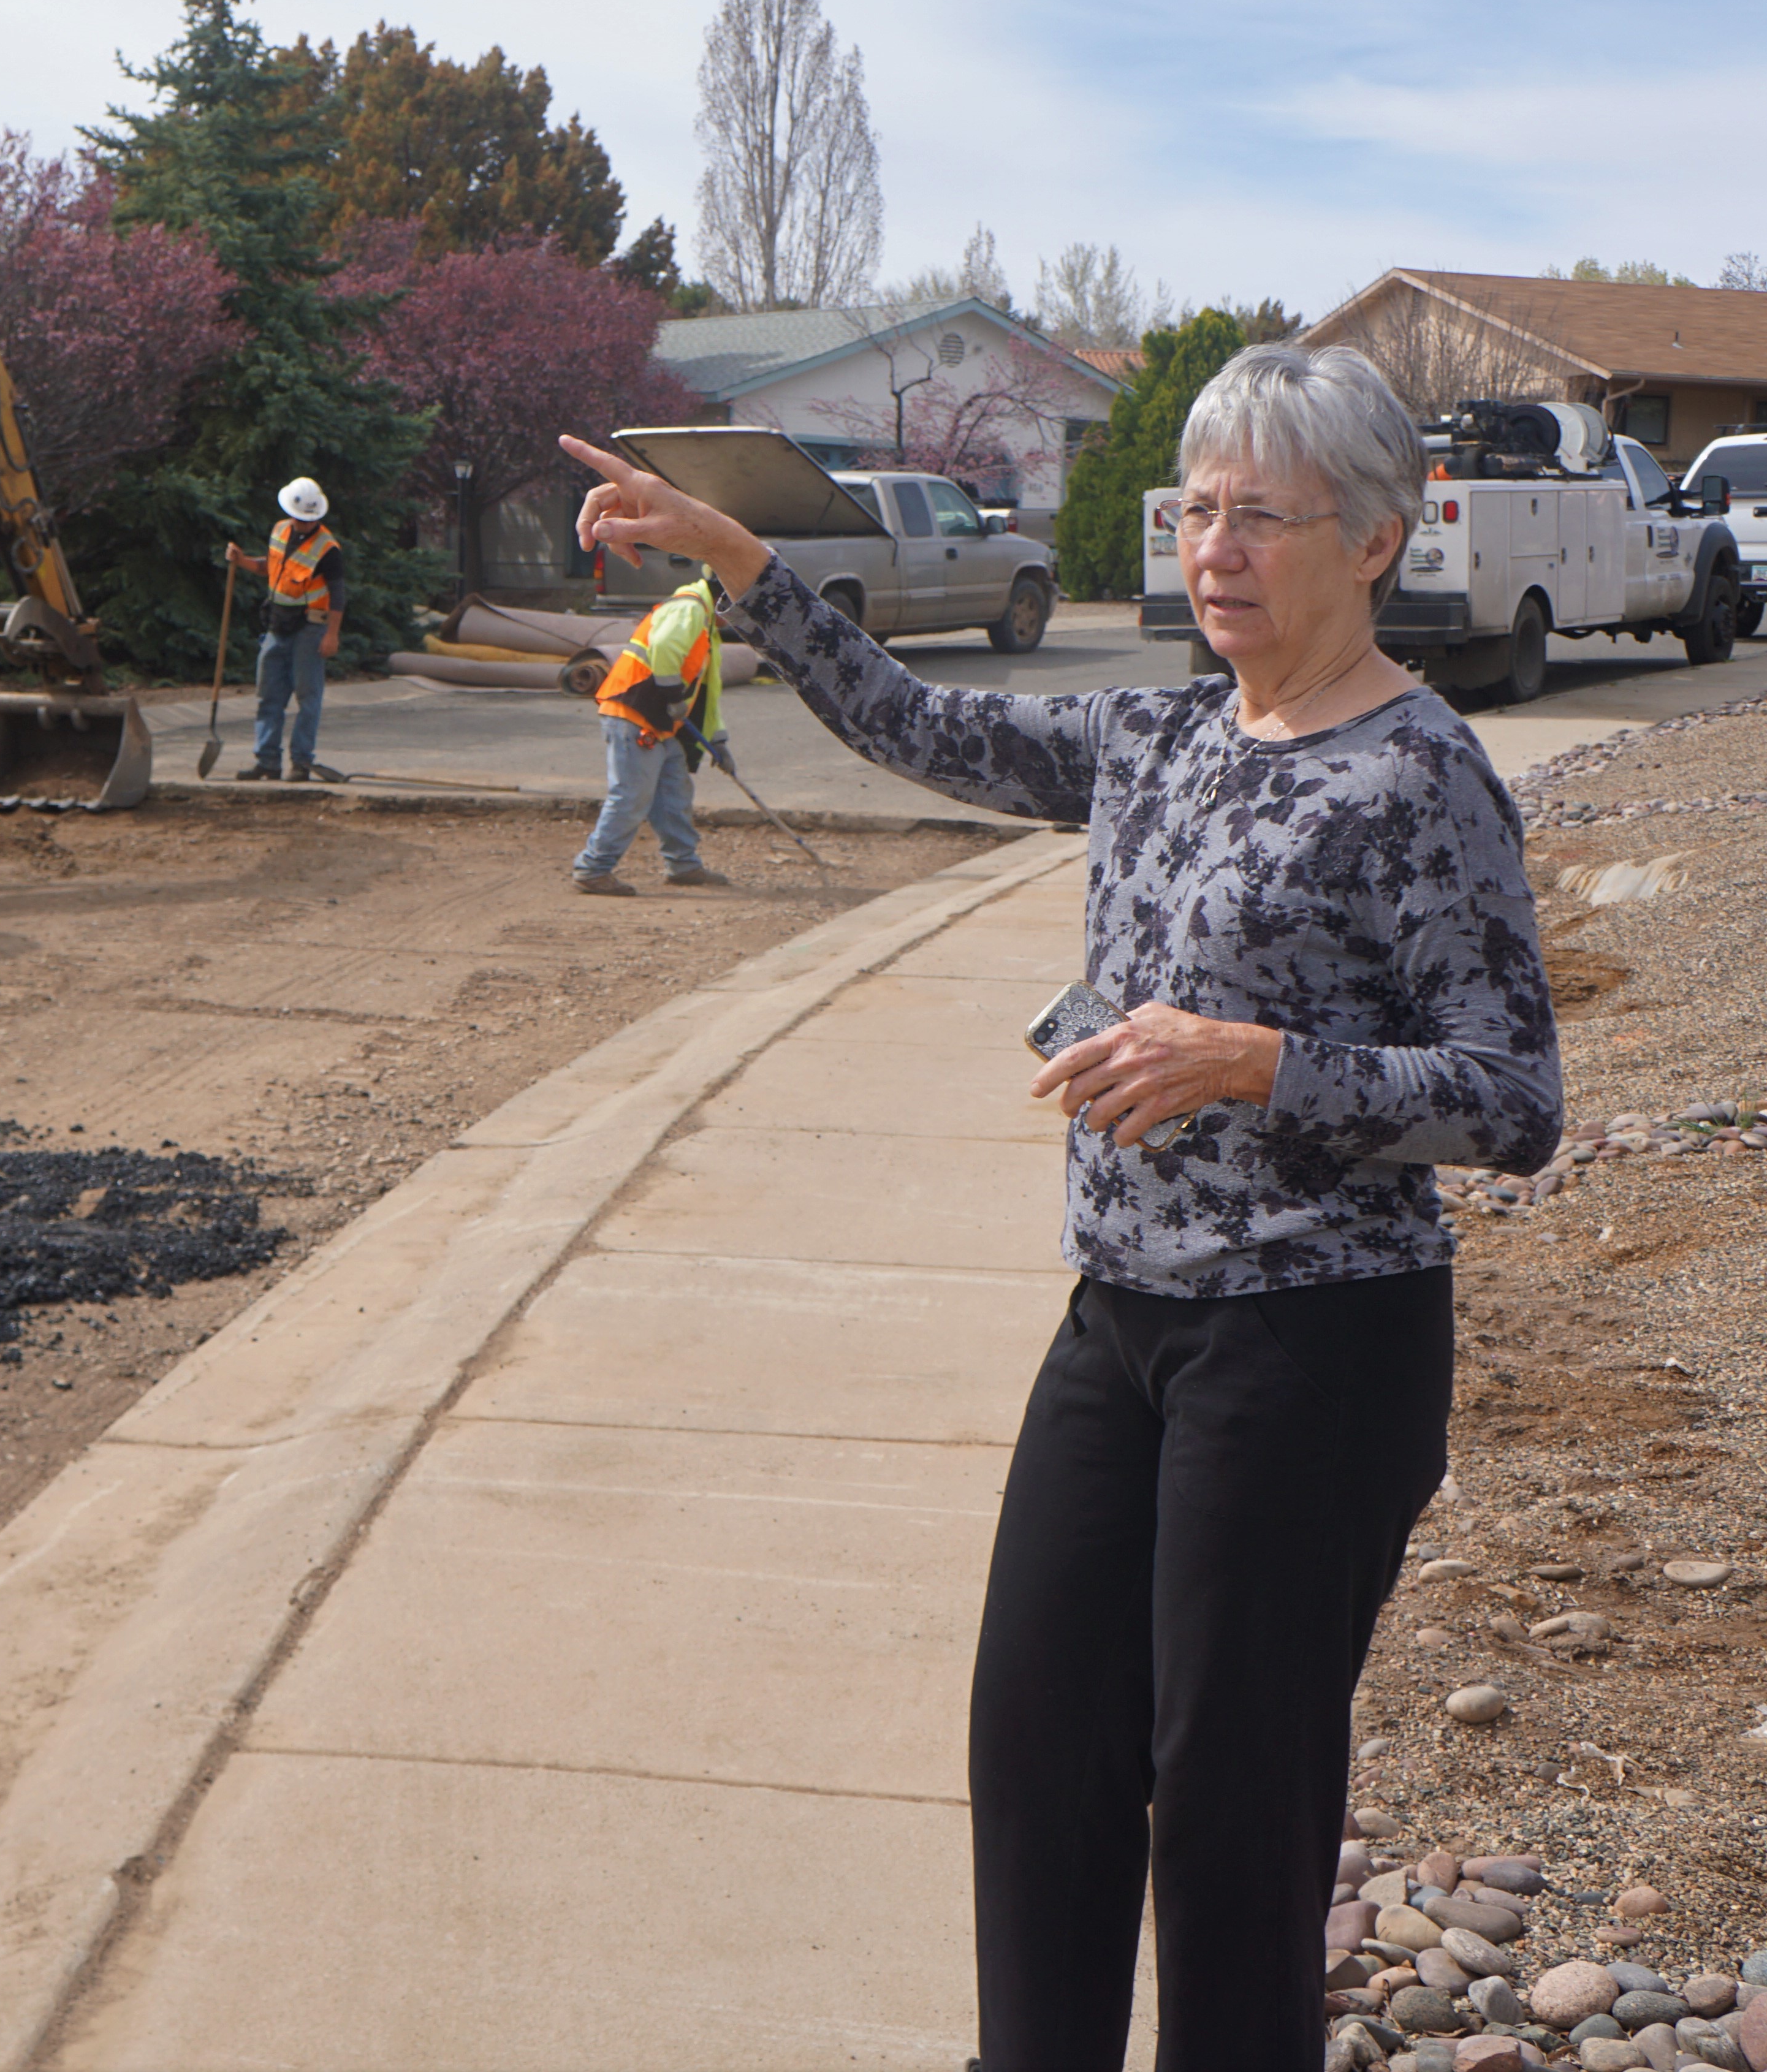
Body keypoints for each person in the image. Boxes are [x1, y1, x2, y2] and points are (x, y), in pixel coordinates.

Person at [561, 345, 1560, 2072]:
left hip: (1311, 1346)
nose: (1214, 547)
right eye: (1196, 510)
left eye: (1263, 515)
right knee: (1038, 1751)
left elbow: (1516, 1100)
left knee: (1235, 1815)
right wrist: (744, 569)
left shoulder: (1423, 774)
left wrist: (1257, 1062)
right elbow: (916, 723)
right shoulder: (1160, 735)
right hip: (1120, 1321)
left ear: (1376, 540)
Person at [572, 573, 734, 895]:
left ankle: (683, 865)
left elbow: (707, 692)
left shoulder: (706, 623)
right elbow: (663, 648)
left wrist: (718, 739)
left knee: (675, 791)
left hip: (658, 722)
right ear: (723, 599)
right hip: (634, 714)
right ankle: (593, 869)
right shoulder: (688, 608)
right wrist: (673, 696)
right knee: (631, 796)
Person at [226, 476, 344, 781]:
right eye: (301, 519)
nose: (304, 524)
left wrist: (332, 634)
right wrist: (242, 562)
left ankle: (301, 763)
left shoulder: (328, 549)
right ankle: (268, 762)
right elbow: (272, 567)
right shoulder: (280, 530)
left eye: (310, 520)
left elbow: (338, 595)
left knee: (308, 697)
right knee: (268, 695)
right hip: (278, 625)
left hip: (310, 629)